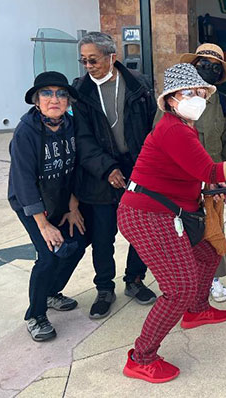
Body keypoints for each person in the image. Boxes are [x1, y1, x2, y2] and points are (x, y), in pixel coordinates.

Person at [118, 63, 226, 383]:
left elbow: (196, 172)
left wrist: (213, 187)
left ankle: (197, 310)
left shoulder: (183, 127)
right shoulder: (173, 129)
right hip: (148, 215)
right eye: (188, 92)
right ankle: (141, 357)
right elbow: (210, 171)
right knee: (179, 288)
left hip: (167, 213)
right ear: (170, 99)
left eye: (201, 93)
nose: (197, 98)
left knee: (208, 254)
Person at [73, 32, 157, 319]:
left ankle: (135, 280)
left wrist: (146, 167)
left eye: (93, 60)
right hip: (100, 173)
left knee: (141, 231)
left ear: (112, 57)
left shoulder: (138, 84)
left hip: (138, 168)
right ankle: (104, 288)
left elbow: (151, 128)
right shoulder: (80, 91)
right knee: (102, 236)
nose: (88, 66)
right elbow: (82, 139)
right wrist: (107, 168)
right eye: (84, 61)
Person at [8, 71, 87, 342]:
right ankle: (36, 314)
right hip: (30, 203)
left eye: (61, 94)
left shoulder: (71, 125)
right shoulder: (25, 132)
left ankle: (51, 292)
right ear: (36, 100)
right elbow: (23, 180)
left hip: (61, 198)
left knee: (77, 242)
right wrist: (43, 225)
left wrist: (73, 204)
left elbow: (75, 167)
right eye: (47, 93)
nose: (54, 99)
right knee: (49, 254)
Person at [180, 43, 226, 303]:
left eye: (215, 67)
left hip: (212, 182)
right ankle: (185, 281)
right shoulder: (174, 99)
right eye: (203, 64)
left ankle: (213, 278)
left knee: (213, 230)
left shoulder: (223, 104)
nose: (208, 70)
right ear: (193, 66)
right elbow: (159, 140)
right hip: (181, 180)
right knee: (180, 232)